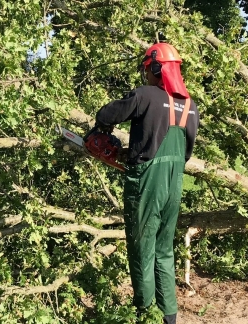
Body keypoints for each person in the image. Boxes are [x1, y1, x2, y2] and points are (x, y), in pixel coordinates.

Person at [92, 42, 199, 324]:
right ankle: (168, 318)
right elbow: (183, 152)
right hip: (174, 184)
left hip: (147, 184)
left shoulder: (145, 95)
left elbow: (106, 115)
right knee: (164, 250)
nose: (147, 76)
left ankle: (145, 315)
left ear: (155, 68)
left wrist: (103, 131)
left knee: (141, 249)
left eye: (148, 70)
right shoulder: (190, 106)